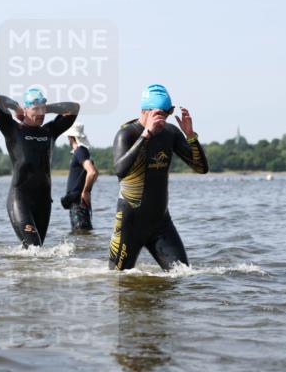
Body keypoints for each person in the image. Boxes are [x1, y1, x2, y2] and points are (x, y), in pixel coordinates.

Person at [109, 84, 208, 271]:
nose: (163, 119)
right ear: (145, 111)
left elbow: (201, 168)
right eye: (159, 114)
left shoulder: (170, 133)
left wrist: (190, 136)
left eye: (167, 113)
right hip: (130, 224)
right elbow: (120, 171)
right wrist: (146, 135)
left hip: (161, 223)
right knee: (118, 279)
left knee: (182, 275)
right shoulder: (127, 134)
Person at [0, 88, 80, 247]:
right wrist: (16, 108)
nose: (41, 113)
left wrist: (47, 108)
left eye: (42, 109)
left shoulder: (50, 131)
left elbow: (74, 108)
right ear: (26, 109)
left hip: (43, 201)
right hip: (20, 199)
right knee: (34, 247)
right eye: (36, 109)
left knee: (37, 252)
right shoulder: (13, 129)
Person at [60, 123, 98, 232]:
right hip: (78, 201)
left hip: (78, 203)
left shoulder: (80, 151)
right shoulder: (81, 151)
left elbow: (92, 172)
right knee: (82, 234)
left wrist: (86, 191)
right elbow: (96, 173)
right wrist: (86, 191)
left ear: (71, 137)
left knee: (80, 232)